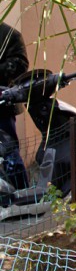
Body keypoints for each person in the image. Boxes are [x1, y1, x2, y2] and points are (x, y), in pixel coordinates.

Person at [0, 22, 29, 189]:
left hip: (2, 107)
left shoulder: (9, 34)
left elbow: (20, 65)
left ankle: (21, 196)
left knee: (9, 154)